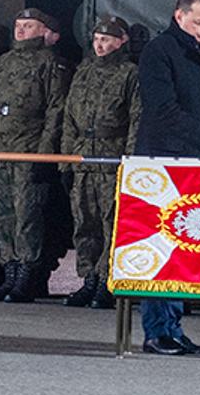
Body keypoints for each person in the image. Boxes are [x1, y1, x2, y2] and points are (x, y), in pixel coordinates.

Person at [135, 0, 200, 355]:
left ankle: (172, 327)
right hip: (164, 162)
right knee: (163, 246)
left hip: (192, 163)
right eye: (198, 21)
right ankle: (157, 330)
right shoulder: (159, 52)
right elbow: (163, 111)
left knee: (184, 245)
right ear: (179, 15)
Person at [0, 7, 72, 303]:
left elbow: (56, 111)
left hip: (29, 149)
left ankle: (29, 273)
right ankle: (11, 270)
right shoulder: (3, 63)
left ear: (44, 31)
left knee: (28, 214)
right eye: (18, 25)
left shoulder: (50, 64)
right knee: (3, 213)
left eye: (29, 26)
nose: (21, 30)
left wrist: (45, 153)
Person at [58, 16, 140, 309]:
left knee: (111, 221)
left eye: (106, 39)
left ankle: (108, 280)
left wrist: (128, 161)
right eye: (96, 39)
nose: (100, 45)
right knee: (84, 220)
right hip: (84, 154)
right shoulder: (84, 71)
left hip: (111, 154)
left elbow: (135, 119)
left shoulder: (130, 74)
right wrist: (66, 159)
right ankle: (88, 277)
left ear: (121, 42)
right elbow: (69, 116)